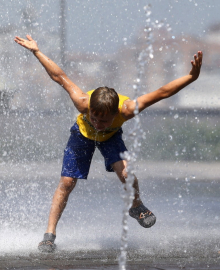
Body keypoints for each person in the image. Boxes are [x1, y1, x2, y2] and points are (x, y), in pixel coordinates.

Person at [14, 34, 203, 253]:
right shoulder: (83, 102)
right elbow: (59, 76)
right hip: (81, 135)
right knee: (67, 182)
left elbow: (161, 92)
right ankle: (49, 235)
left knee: (126, 174)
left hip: (112, 138)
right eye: (95, 118)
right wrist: (36, 51)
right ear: (89, 110)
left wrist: (191, 77)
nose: (98, 123)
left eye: (104, 120)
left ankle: (136, 206)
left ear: (115, 113)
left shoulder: (127, 109)